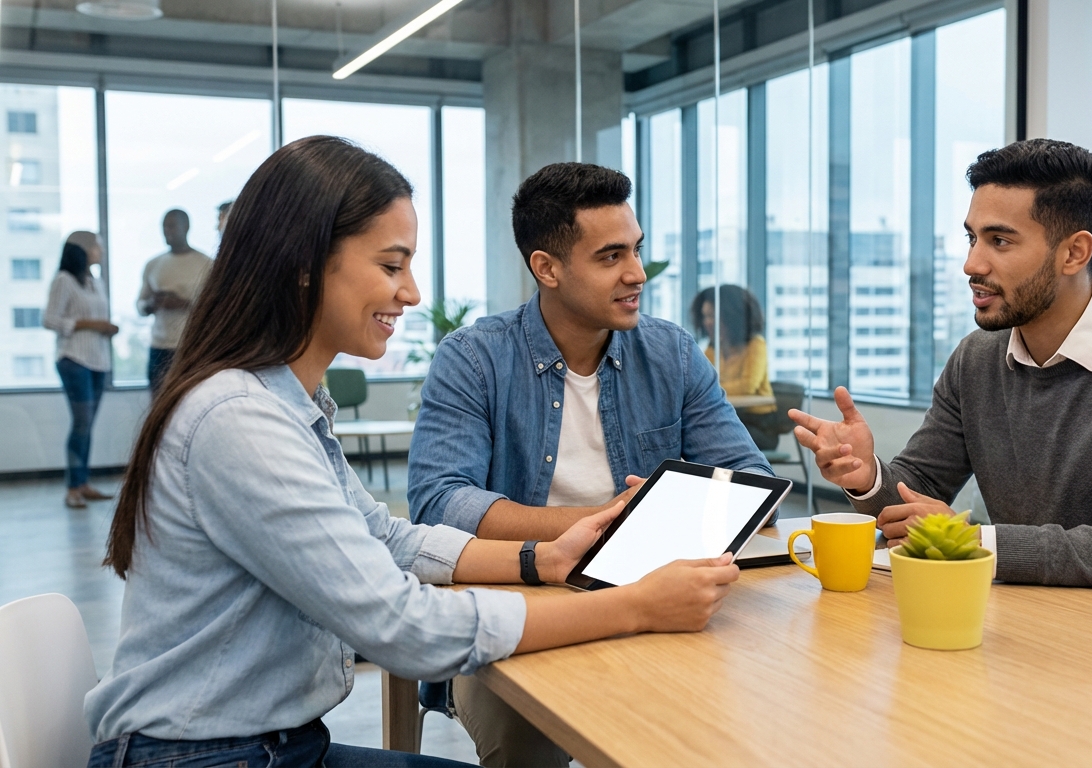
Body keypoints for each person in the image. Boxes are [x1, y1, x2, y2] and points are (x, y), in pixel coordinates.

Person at [84, 137, 740, 768]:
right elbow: (403, 625)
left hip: (270, 746)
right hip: (204, 756)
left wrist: (542, 558)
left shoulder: (285, 403)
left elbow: (385, 538)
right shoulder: (241, 421)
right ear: (305, 266)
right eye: (392, 266)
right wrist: (635, 605)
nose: (412, 293)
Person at [408, 162, 772, 767]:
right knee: (526, 745)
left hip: (655, 586)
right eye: (610, 257)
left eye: (636, 250)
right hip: (518, 593)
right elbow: (440, 502)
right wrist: (602, 520)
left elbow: (748, 480)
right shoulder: (473, 359)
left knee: (728, 721)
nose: (636, 274)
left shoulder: (672, 353)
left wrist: (666, 514)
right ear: (546, 268)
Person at [790, 139, 1092, 599]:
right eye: (972, 237)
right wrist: (866, 475)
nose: (971, 264)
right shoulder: (977, 359)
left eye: (999, 241)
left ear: (1074, 253)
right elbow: (915, 497)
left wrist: (979, 544)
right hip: (1035, 626)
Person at [42, 232, 118, 509]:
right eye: (96, 245)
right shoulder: (64, 280)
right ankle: (73, 487)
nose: (100, 249)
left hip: (98, 361)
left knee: (87, 426)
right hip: (74, 360)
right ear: (83, 250)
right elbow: (49, 319)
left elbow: (98, 319)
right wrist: (90, 324)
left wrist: (106, 328)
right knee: (81, 424)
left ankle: (83, 483)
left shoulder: (95, 282)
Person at [691, 284, 778, 450]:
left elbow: (747, 386)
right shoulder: (713, 348)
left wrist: (710, 390)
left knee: (708, 439)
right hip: (727, 416)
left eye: (713, 316)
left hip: (758, 424)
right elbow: (700, 382)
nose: (707, 322)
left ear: (731, 316)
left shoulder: (755, 344)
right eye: (705, 316)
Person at [136, 208, 212, 393]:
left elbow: (215, 308)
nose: (167, 231)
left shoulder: (206, 264)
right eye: (164, 227)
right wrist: (152, 305)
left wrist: (183, 303)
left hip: (190, 346)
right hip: (159, 346)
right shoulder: (154, 264)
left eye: (171, 226)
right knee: (158, 404)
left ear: (185, 227)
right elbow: (140, 305)